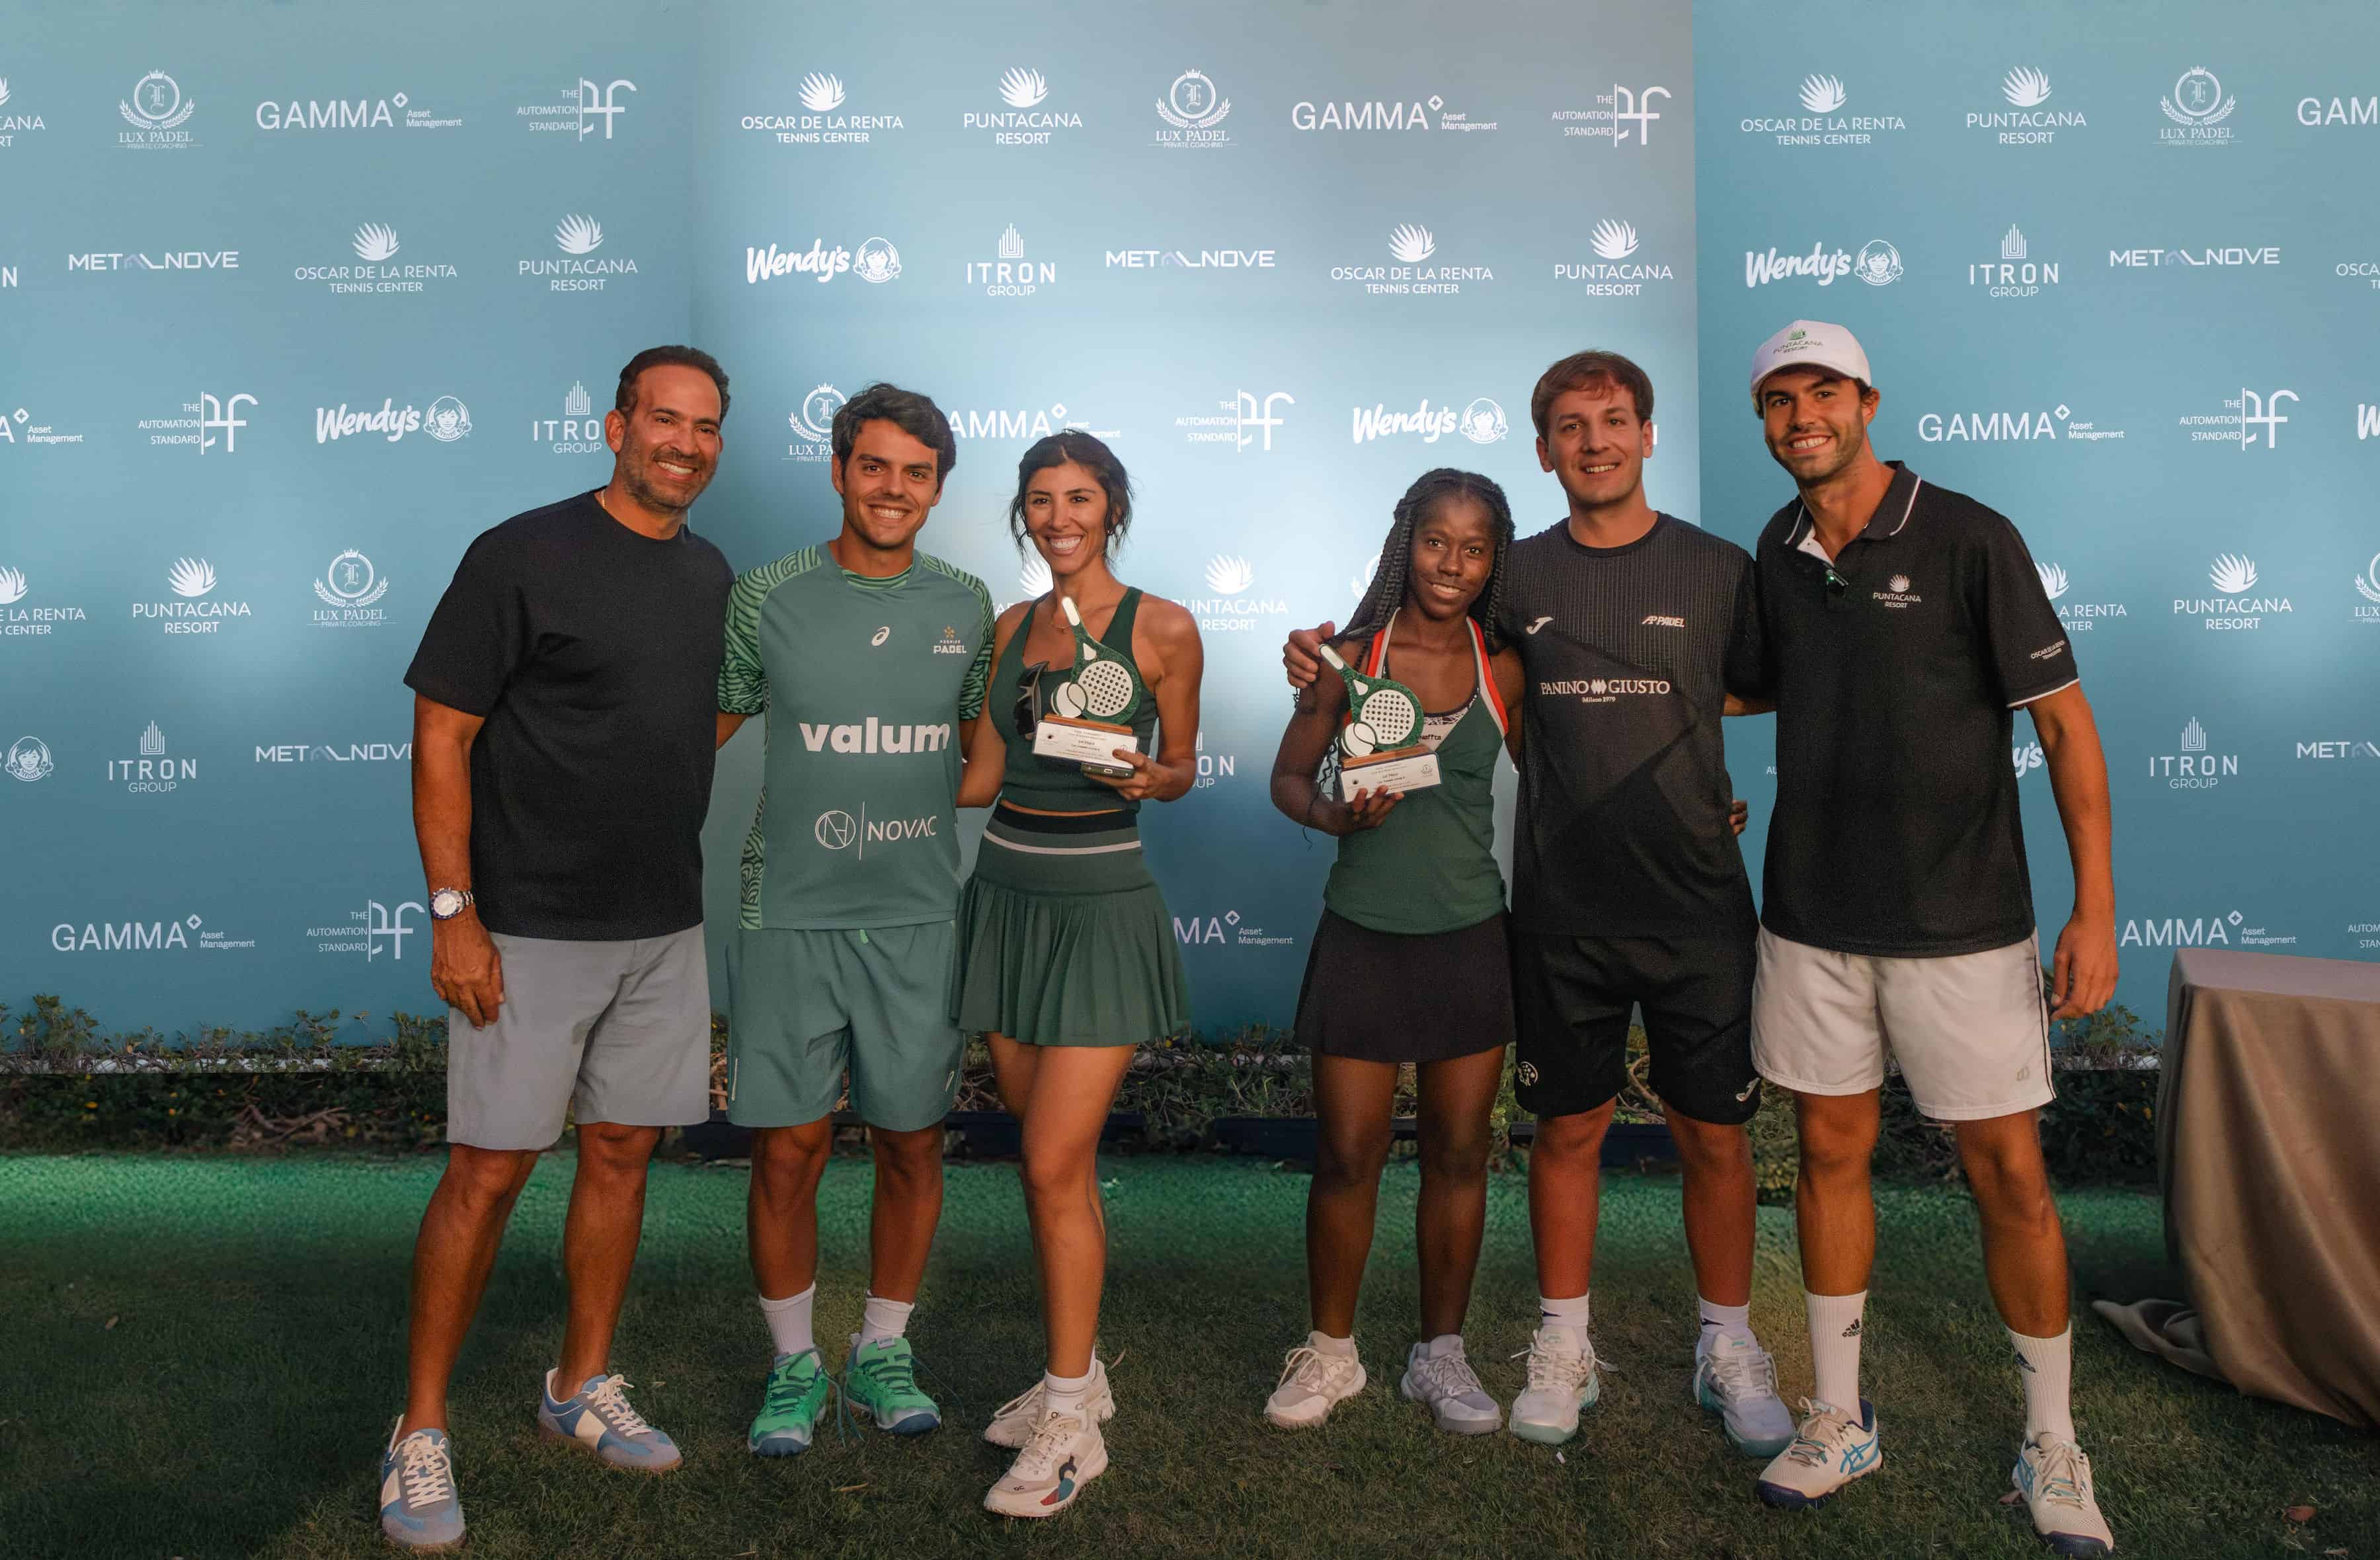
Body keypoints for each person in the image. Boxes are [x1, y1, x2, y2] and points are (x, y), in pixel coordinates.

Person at [1284, 351, 1790, 1456]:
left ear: (1649, 435)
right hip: (1559, 909)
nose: (1595, 441)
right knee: (1567, 1132)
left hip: (1698, 905)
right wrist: (1311, 659)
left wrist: (1691, 767)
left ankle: (1730, 1345)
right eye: (1570, 425)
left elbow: (1757, 681)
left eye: (1615, 421)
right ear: (1546, 447)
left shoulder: (1718, 568)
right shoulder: (1513, 577)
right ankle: (1563, 1346)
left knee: (1717, 1139)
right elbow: (1415, 641)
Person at [1740, 320, 2118, 1557]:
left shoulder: (1968, 535)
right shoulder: (1779, 549)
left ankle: (2053, 1441)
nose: (1803, 416)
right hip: (1812, 917)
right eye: (1780, 401)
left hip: (1961, 922)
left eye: (1823, 394)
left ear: (1868, 401)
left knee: (2008, 1175)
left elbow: (2064, 727)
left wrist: (2095, 906)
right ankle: (1840, 1417)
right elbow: (1745, 686)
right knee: (1828, 1151)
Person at [382, 346, 734, 1551]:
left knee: (624, 1155)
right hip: (524, 929)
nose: (683, 445)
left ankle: (578, 1387)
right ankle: (419, 1429)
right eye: (663, 421)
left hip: (663, 925)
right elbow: (441, 736)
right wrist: (454, 913)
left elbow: (687, 720)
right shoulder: (521, 554)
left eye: (704, 430)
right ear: (616, 427)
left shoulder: (709, 574)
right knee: (488, 1170)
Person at [713, 385, 996, 1458]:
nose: (893, 489)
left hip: (919, 914)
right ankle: (794, 1365)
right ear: (838, 472)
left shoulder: (967, 604)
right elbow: (702, 728)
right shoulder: (767, 596)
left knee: (913, 1142)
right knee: (787, 1150)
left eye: (916, 472)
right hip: (788, 911)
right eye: (873, 466)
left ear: (938, 486)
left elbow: (989, 755)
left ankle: (882, 1349)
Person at [955, 432, 1203, 1518]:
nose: (1061, 517)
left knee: (1056, 1163)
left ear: (1113, 509)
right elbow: (982, 776)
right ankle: (1083, 1376)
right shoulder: (1011, 629)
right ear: (1024, 515)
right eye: (1043, 501)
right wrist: (846, 761)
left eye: (1082, 499)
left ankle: (1067, 1425)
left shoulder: (1163, 625)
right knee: (1046, 1166)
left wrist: (1157, 775)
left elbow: (1183, 767)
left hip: (1102, 909)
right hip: (1007, 899)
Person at [1261, 469, 1525, 1436]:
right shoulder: (1345, 657)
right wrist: (1332, 813)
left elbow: (1566, 787)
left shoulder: (1507, 666)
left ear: (1495, 559)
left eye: (1475, 546)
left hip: (1467, 937)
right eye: (1435, 541)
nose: (1452, 564)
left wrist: (1693, 821)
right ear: (1403, 542)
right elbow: (1289, 777)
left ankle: (1439, 1357)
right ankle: (1331, 1355)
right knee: (1346, 1154)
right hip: (1364, 935)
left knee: (1460, 1153)